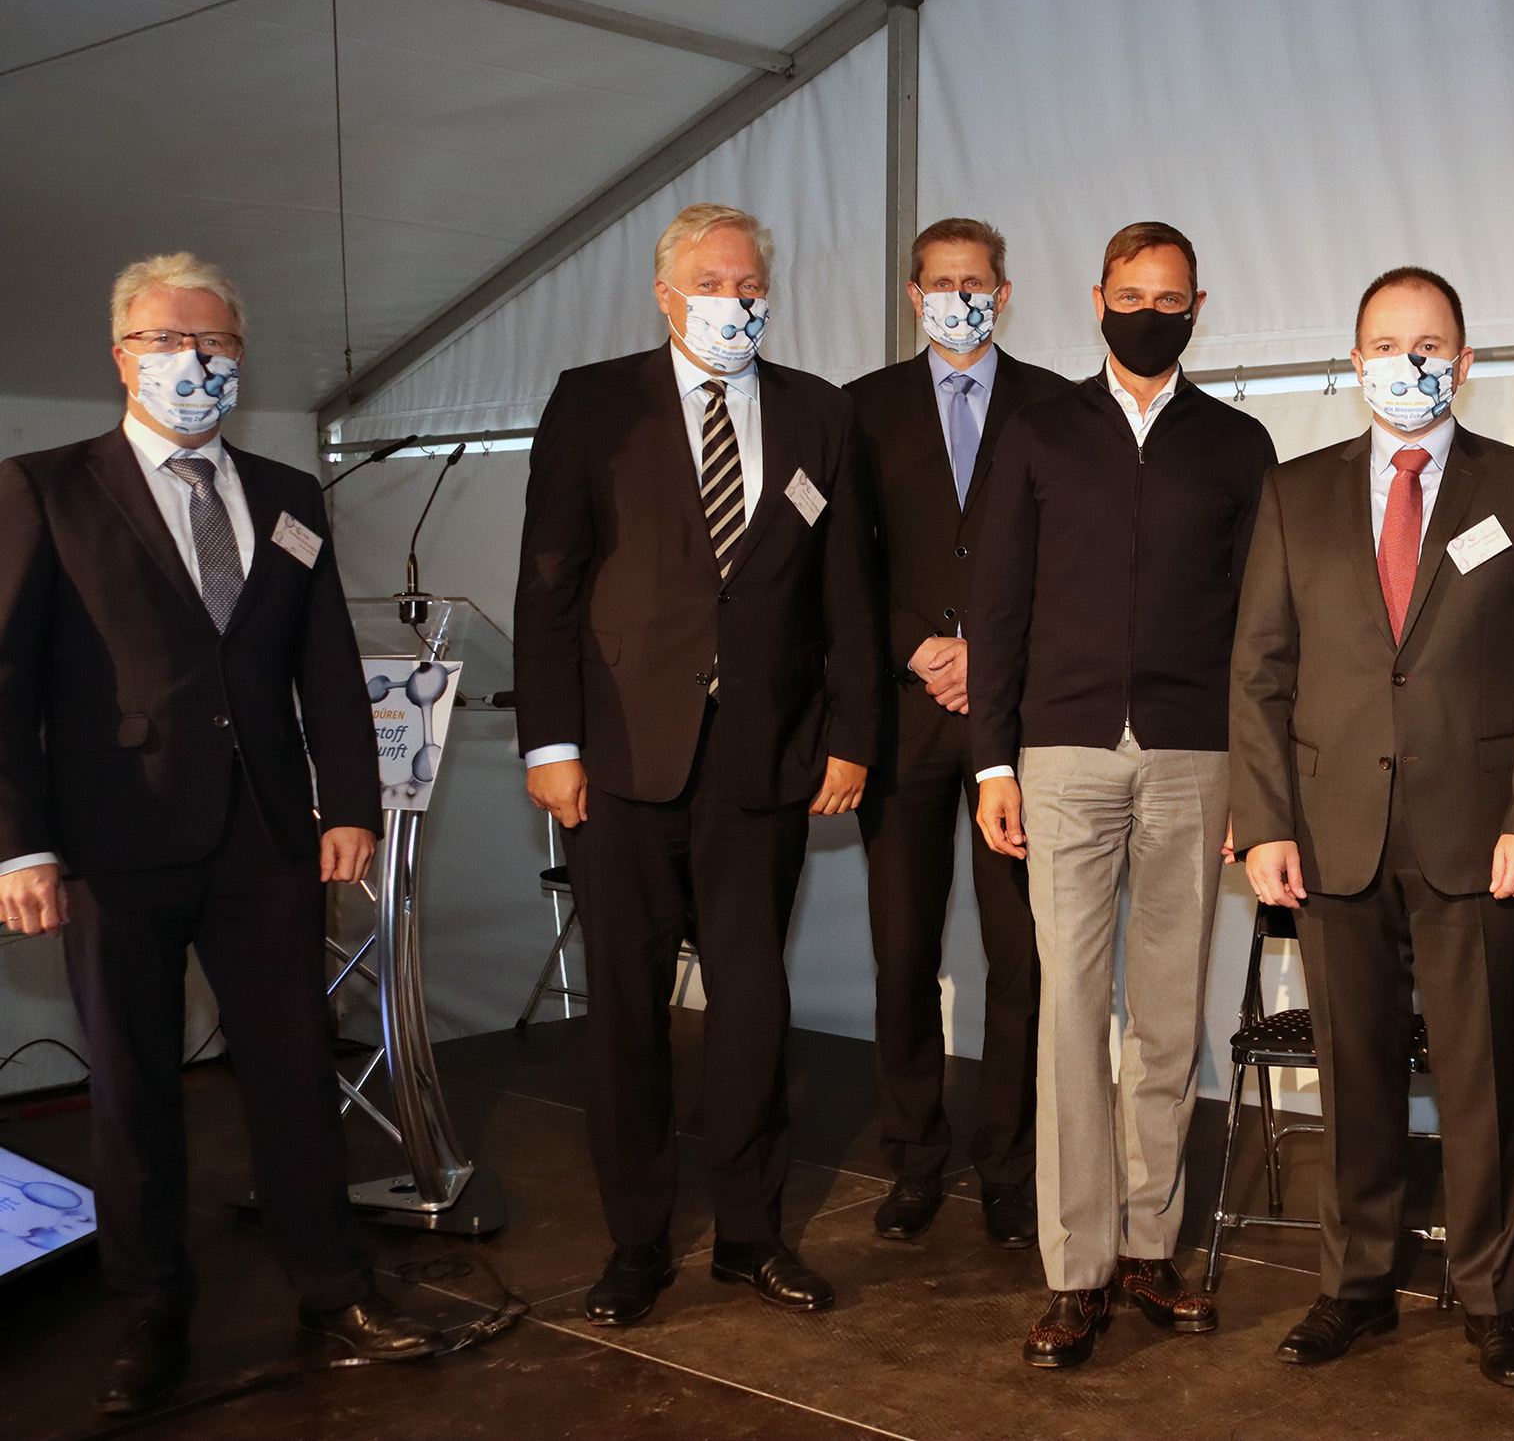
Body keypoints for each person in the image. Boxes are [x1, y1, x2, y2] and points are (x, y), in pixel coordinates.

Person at [0, 253, 447, 1415]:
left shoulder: (289, 493)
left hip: (266, 836)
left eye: (215, 344)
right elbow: (5, 679)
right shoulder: (45, 487)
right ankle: (150, 1310)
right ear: (120, 355)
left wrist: (348, 801)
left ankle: (334, 1285)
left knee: (297, 1069)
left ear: (241, 358)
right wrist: (19, 843)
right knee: (134, 1088)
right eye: (166, 340)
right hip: (114, 838)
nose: (193, 361)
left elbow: (326, 668)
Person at [514, 203, 881, 1328]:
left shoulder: (819, 412)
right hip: (621, 757)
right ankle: (636, 1242)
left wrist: (853, 735)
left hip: (765, 758)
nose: (738, 298)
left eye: (752, 281)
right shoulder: (594, 401)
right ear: (667, 294)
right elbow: (549, 582)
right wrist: (551, 742)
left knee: (752, 1005)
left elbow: (848, 595)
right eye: (716, 281)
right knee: (627, 1009)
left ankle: (750, 1235)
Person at [1234, 266, 1514, 1389]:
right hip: (1331, 835)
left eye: (1430, 341)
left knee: (1482, 1078)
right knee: (1353, 1075)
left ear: (1467, 359)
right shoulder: (1294, 494)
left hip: (1478, 840)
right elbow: (1258, 674)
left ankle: (1492, 1299)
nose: (1409, 360)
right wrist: (1263, 824)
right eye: (1387, 342)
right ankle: (1354, 1288)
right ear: (1354, 360)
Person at [969, 221, 1275, 1369]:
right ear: (1095, 297)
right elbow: (997, 607)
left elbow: (1262, 625)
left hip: (1199, 760)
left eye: (1172, 295)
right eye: (1131, 292)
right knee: (1067, 1015)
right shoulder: (1037, 433)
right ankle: (1075, 1266)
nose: (1151, 309)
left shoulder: (1238, 445)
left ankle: (1149, 1246)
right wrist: (992, 763)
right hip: (1062, 758)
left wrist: (1258, 774)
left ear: (1202, 304)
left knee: (1167, 1015)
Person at [849, 218, 1071, 1250]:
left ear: (1006, 290)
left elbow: (1074, 563)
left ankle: (1009, 1166)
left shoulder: (1059, 409)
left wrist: (993, 652)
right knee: (903, 953)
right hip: (902, 719)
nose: (958, 297)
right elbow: (839, 570)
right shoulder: (856, 412)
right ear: (911, 293)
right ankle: (914, 1156)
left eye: (975, 282)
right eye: (940, 283)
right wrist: (917, 648)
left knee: (1018, 956)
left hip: (1019, 724)